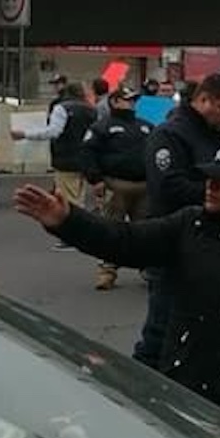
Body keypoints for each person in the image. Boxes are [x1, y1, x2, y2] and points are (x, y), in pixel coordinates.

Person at [14, 140, 220, 434]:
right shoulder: (188, 226)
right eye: (209, 177)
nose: (211, 186)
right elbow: (125, 241)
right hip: (192, 393)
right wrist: (67, 221)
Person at [136, 71, 220, 367]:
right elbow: (169, 186)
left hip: (214, 243)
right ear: (203, 100)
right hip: (174, 243)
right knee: (161, 330)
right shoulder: (171, 135)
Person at [80, 85, 152, 290]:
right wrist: (95, 180)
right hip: (115, 184)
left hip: (144, 185)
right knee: (111, 229)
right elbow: (87, 153)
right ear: (114, 101)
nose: (131, 103)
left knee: (147, 229)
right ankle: (107, 271)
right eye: (127, 99)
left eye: (133, 99)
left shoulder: (145, 126)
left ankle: (148, 268)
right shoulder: (102, 127)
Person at [11, 81, 94, 211]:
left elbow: (53, 131)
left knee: (68, 200)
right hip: (86, 158)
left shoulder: (62, 108)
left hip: (65, 157)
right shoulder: (91, 110)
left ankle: (73, 226)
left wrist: (25, 134)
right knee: (79, 195)